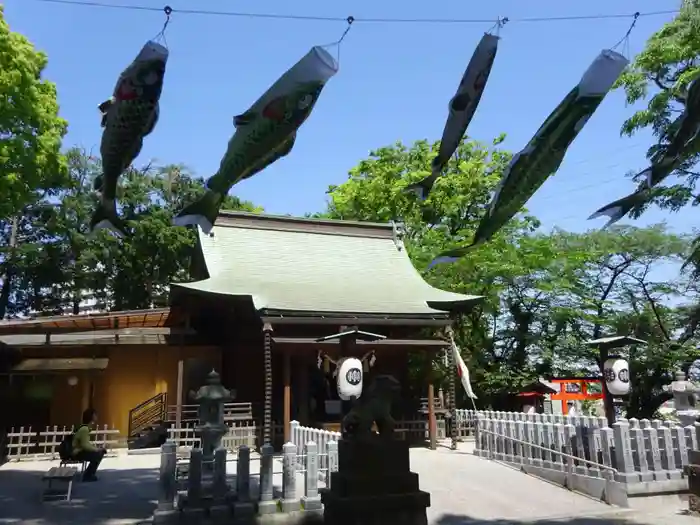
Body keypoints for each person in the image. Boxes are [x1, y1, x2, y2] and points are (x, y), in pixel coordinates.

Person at [72, 408, 106, 482]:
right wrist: (97, 449)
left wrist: (96, 448)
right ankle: (88, 475)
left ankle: (89, 474)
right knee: (98, 454)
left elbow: (86, 444)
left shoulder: (85, 428)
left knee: (99, 452)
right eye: (95, 415)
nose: (96, 416)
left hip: (79, 451)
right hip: (76, 453)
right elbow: (85, 445)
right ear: (91, 417)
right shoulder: (84, 429)